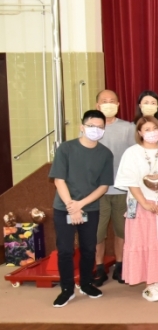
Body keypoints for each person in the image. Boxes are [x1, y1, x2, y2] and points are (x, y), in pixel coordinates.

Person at [49, 110, 113, 307]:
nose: (96, 130)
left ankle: (86, 283)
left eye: (100, 127)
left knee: (88, 248)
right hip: (64, 208)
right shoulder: (66, 148)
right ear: (82, 127)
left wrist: (81, 205)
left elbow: (103, 186)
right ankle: (67, 289)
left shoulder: (105, 154)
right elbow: (59, 180)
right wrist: (72, 206)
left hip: (90, 208)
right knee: (65, 250)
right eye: (92, 126)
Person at [116, 115, 158, 302]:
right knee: (144, 242)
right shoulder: (132, 153)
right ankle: (148, 283)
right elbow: (130, 181)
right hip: (140, 204)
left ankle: (157, 277)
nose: (151, 132)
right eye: (147, 129)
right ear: (139, 132)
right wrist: (144, 203)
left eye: (154, 129)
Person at [93, 89, 135, 287]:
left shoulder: (128, 128)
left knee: (122, 231)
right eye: (104, 101)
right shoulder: (91, 129)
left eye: (112, 101)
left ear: (118, 105)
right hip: (97, 191)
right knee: (97, 233)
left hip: (122, 190)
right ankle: (99, 267)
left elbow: (135, 155)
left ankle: (120, 265)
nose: (108, 104)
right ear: (97, 105)